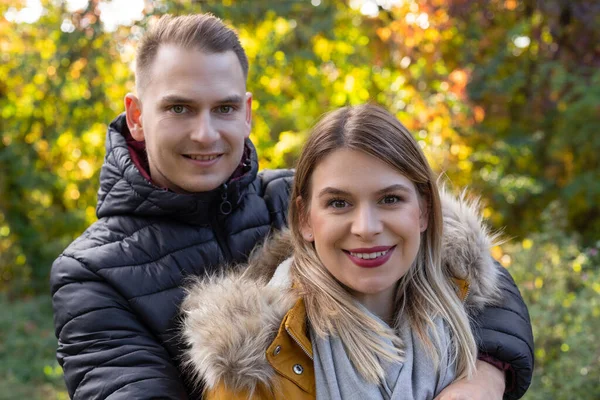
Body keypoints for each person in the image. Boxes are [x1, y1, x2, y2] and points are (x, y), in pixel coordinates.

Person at [50, 13, 533, 400]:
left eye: (224, 108)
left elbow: (469, 273)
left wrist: (484, 376)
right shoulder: (91, 272)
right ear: (137, 116)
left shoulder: (299, 198)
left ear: (247, 112)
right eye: (179, 108)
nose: (205, 133)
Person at [180, 104, 514, 399]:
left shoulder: (466, 324)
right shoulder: (255, 365)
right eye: (339, 203)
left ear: (424, 211)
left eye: (390, 199)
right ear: (305, 218)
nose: (366, 227)